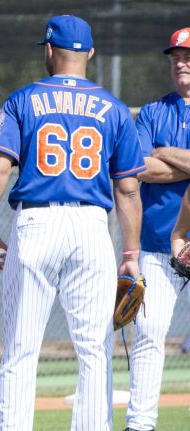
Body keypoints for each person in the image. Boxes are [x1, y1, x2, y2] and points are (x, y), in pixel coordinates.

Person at [0, 15, 145, 431]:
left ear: (49, 51)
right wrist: (130, 254)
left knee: (20, 348)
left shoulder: (23, 100)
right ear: (89, 53)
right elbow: (127, 190)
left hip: (36, 222)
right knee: (94, 349)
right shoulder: (114, 108)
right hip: (91, 228)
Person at [126, 26, 190, 431]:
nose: (181, 62)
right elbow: (138, 168)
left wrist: (163, 153)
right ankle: (140, 424)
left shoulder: (155, 124)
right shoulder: (152, 112)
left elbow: (155, 162)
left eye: (188, 55)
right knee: (148, 334)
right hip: (157, 244)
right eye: (176, 56)